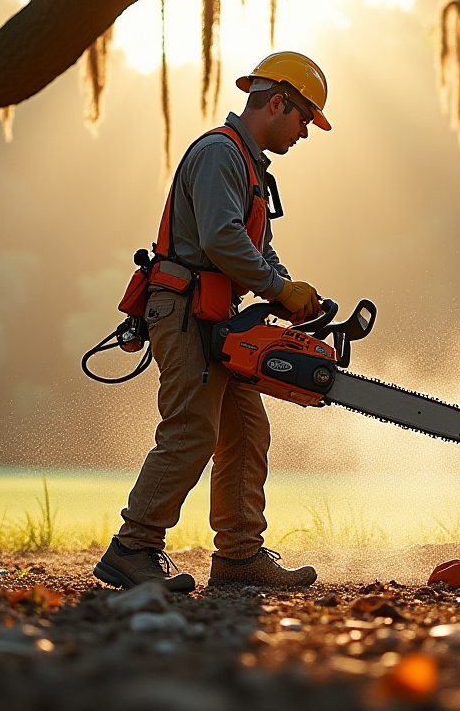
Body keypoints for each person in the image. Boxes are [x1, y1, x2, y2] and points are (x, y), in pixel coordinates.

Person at [94, 51, 331, 591]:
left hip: (216, 312)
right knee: (191, 430)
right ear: (278, 103)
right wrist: (276, 288)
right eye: (303, 119)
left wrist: (291, 293)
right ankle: (133, 547)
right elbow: (221, 238)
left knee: (246, 431)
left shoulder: (249, 166)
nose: (305, 134)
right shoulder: (219, 154)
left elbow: (258, 248)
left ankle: (240, 555)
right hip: (184, 308)